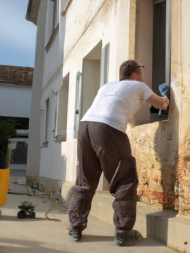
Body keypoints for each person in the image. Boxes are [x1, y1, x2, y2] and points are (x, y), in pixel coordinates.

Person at [68, 59, 169, 246]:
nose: (143, 75)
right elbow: (162, 105)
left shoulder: (107, 86)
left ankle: (75, 227)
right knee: (124, 179)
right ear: (134, 75)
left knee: (85, 180)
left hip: (85, 127)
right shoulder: (139, 85)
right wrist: (167, 95)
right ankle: (123, 232)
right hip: (108, 129)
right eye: (142, 71)